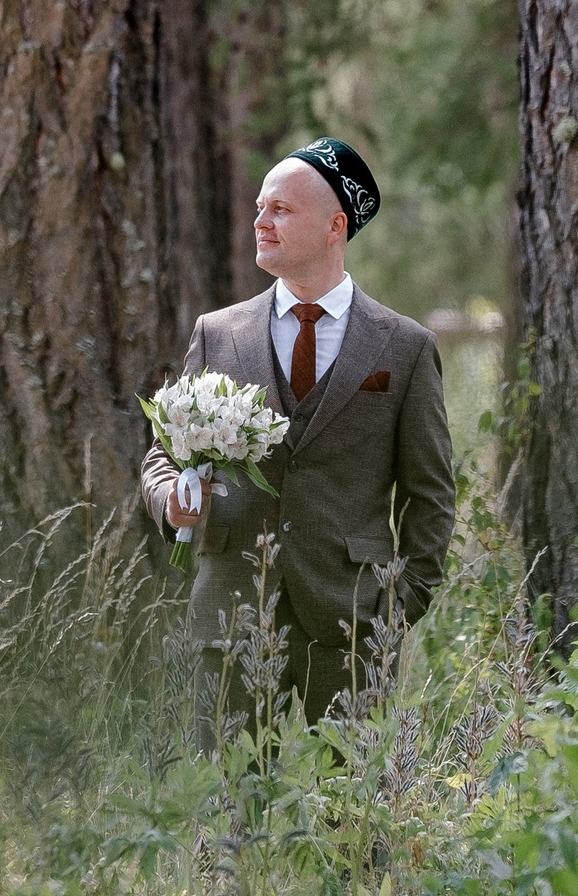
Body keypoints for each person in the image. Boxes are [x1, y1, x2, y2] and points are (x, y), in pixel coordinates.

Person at [140, 138, 456, 735]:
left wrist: (398, 607)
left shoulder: (405, 348)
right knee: (232, 813)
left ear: (335, 225)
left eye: (280, 209)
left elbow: (431, 495)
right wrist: (172, 504)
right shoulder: (218, 334)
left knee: (352, 817)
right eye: (261, 207)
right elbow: (163, 457)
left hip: (353, 622)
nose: (260, 221)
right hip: (231, 614)